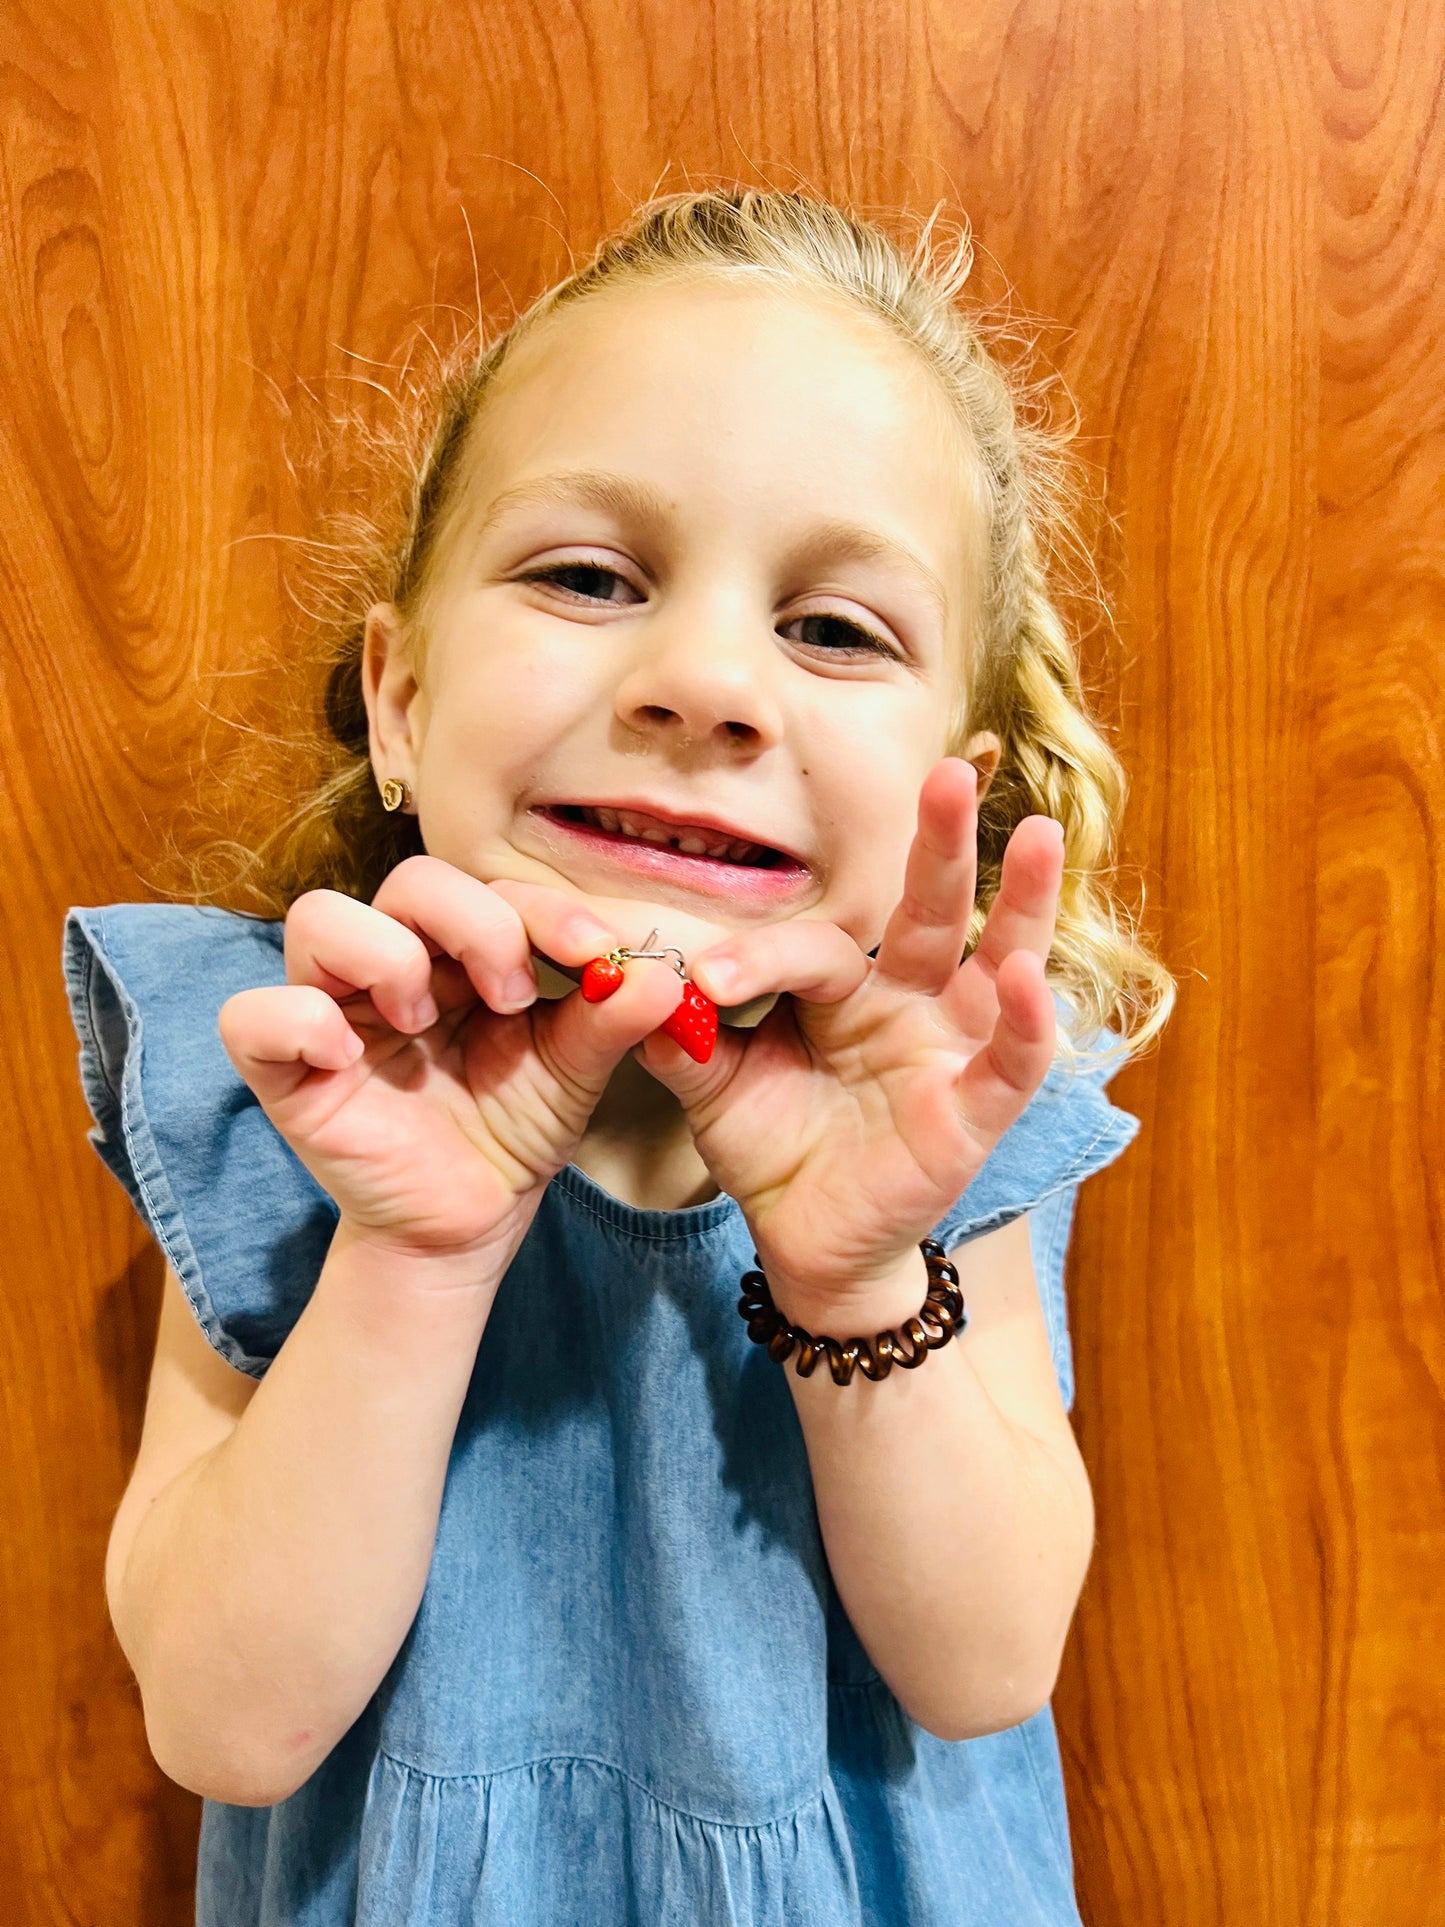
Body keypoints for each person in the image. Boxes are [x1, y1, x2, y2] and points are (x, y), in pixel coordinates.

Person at [62, 187, 1174, 1926]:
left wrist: (859, 1273)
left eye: (834, 629)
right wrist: (412, 1257)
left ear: (952, 786)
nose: (708, 681)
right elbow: (227, 1721)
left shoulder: (955, 1122)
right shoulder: (285, 1086)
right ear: (402, 699)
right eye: (588, 575)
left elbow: (982, 1663)